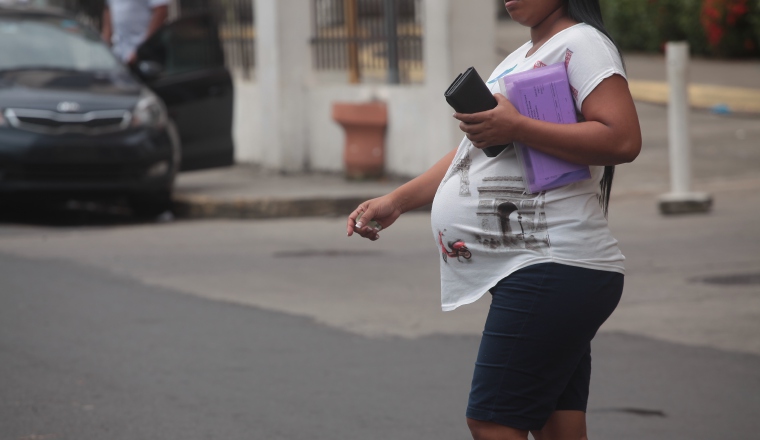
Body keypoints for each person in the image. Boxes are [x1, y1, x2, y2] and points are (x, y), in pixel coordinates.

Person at [346, 0, 642, 439]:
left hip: (551, 264)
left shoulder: (583, 43)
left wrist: (518, 126)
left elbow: (623, 138)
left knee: (491, 422)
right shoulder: (520, 57)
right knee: (558, 425)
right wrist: (398, 200)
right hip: (548, 269)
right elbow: (471, 154)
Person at [101, 0, 169, 64]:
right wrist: (104, 49)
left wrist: (142, 49)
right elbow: (108, 11)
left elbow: (161, 11)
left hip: (146, 53)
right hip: (119, 53)